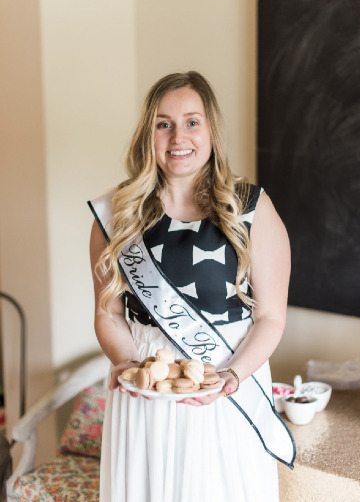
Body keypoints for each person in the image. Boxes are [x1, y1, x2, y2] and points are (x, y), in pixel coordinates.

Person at [89, 71, 294, 502]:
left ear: (211, 130)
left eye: (192, 121)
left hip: (225, 389)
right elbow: (107, 312)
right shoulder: (116, 214)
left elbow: (272, 317)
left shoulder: (252, 209)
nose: (178, 136)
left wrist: (232, 377)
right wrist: (129, 364)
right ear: (149, 134)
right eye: (163, 123)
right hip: (147, 391)